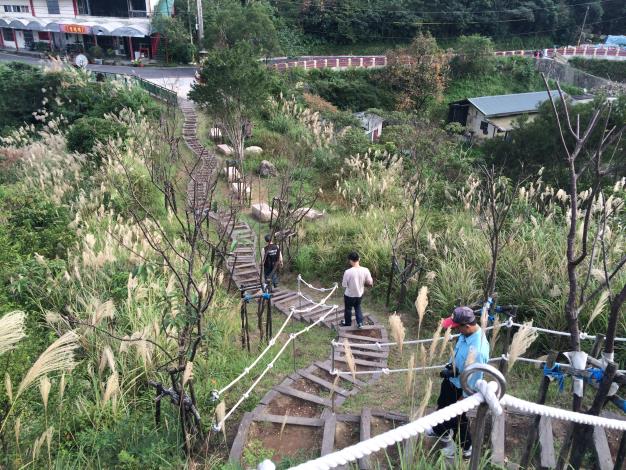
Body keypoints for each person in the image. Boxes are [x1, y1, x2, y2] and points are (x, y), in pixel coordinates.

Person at [426, 306, 490, 459]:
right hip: (452, 381)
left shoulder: (479, 350)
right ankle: (440, 430)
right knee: (442, 404)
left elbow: (473, 380)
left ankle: (465, 448)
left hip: (461, 390)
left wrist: (462, 401)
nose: (455, 330)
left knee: (457, 419)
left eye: (456, 327)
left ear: (466, 326)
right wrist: (451, 369)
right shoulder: (466, 334)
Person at [339, 252, 373, 329]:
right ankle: (360, 323)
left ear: (350, 260)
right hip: (359, 294)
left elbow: (344, 285)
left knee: (348, 309)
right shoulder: (365, 270)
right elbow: (370, 282)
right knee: (358, 307)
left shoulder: (348, 272)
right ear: (359, 259)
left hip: (349, 295)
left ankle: (347, 323)